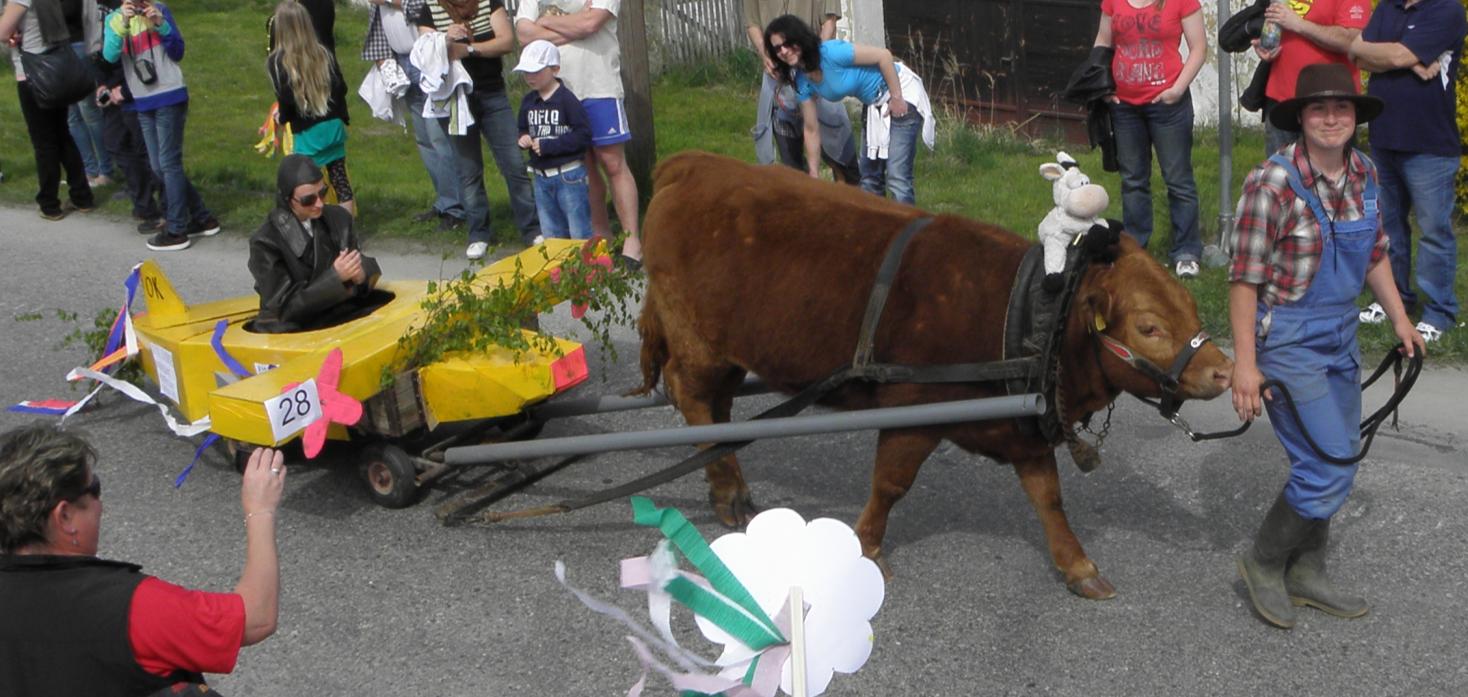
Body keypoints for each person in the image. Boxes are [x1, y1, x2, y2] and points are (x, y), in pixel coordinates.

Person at [1227, 63, 1425, 630]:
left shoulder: (1363, 171)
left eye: (1343, 109)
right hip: (1287, 339)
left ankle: (1307, 572)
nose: (1332, 118)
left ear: (1355, 117)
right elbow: (1242, 281)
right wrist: (1246, 366)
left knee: (1338, 453)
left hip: (1340, 333)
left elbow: (1377, 253)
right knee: (1328, 466)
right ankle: (1264, 562)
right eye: (1320, 109)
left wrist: (1402, 321)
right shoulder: (1272, 183)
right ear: (1302, 119)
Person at [0, 425, 284, 695]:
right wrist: (260, 510)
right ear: (65, 517)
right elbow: (256, 618)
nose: (101, 504)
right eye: (94, 489)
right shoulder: (130, 607)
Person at [1349, 0, 1466, 343]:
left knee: (1434, 233)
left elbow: (1390, 55)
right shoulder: (1388, 7)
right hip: (1385, 138)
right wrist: (1413, 61)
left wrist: (1398, 56)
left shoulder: (1447, 10)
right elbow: (1355, 51)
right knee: (1389, 229)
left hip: (1429, 144)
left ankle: (1440, 312)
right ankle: (1394, 298)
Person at [515, 0, 643, 265]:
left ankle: (632, 241)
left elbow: (591, 23)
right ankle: (600, 237)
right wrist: (575, 24)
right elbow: (524, 34)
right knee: (582, 165)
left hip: (599, 84)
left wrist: (547, 21)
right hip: (558, 91)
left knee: (612, 162)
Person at [415, 0, 540, 261]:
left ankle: (532, 230)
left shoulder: (488, 2)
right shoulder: (429, 8)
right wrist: (445, 38)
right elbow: (425, 54)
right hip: (455, 98)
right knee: (468, 170)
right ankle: (479, 233)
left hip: (491, 92)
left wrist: (469, 49)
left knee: (514, 163)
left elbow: (506, 41)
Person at [764, 14, 934, 205]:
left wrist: (897, 98)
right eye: (778, 49)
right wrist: (813, 173)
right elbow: (811, 129)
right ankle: (879, 227)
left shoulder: (831, 52)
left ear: (800, 38)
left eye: (788, 43)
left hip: (901, 91)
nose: (784, 51)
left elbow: (883, 56)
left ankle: (909, 230)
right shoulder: (803, 81)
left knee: (897, 177)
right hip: (874, 105)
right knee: (869, 176)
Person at [1092, 0, 1207, 278]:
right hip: (1125, 107)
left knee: (1178, 179)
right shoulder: (1113, 1)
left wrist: (1177, 89)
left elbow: (1199, 48)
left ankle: (1187, 251)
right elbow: (1103, 42)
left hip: (1168, 105)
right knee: (1133, 180)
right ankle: (1135, 248)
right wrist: (1103, 84)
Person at [101, 0, 221, 252]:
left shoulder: (160, 10)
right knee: (159, 165)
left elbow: (178, 50)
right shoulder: (114, 19)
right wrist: (124, 23)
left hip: (170, 94)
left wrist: (161, 25)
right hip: (143, 100)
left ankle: (177, 229)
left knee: (168, 163)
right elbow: (109, 56)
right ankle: (203, 217)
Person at [249, 154, 381, 334]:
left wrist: (361, 274)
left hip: (336, 313)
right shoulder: (266, 241)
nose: (319, 203)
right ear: (288, 200)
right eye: (308, 200)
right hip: (295, 327)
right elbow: (284, 307)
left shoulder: (338, 219)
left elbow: (359, 259)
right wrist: (335, 278)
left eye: (323, 193)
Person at [362, 0, 464, 230]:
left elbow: (422, 6)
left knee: (439, 137)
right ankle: (444, 201)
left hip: (426, 58)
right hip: (401, 60)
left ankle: (457, 207)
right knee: (424, 139)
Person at [0, 0, 98, 221]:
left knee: (44, 142)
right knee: (62, 134)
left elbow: (3, 32)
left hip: (34, 74)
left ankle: (49, 202)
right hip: (57, 66)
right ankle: (82, 195)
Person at [744, 0, 858, 183]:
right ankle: (802, 196)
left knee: (837, 142)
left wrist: (816, 58)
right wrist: (766, 54)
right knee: (788, 155)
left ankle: (850, 194)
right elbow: (752, 23)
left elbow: (829, 21)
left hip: (813, 68)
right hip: (778, 72)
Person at [1252, 0, 1371, 156]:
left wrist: (1299, 24)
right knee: (1279, 174)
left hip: (1329, 103)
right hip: (1281, 98)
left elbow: (1351, 40)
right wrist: (1268, 43)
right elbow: (1281, 24)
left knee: (1332, 174)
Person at [269, 0, 354, 216]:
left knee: (304, 185)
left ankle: (312, 231)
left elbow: (287, 100)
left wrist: (283, 117)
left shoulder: (278, 61)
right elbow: (340, 87)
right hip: (333, 126)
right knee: (340, 183)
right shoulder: (323, 53)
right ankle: (348, 234)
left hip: (308, 135)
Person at [95, 0, 163, 233]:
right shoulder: (101, 9)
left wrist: (123, 89)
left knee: (149, 153)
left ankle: (168, 210)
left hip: (136, 87)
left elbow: (140, 52)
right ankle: (145, 204)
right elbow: (102, 51)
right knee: (116, 143)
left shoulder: (131, 8)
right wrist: (102, 84)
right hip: (113, 84)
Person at [515, 39, 593, 241]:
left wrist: (549, 146)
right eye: (526, 72)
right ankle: (558, 270)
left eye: (536, 72)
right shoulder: (528, 101)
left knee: (579, 230)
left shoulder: (567, 100)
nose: (530, 78)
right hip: (540, 176)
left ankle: (588, 271)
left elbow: (583, 135)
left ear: (555, 69)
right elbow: (523, 127)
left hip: (569, 175)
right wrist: (523, 138)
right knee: (551, 231)